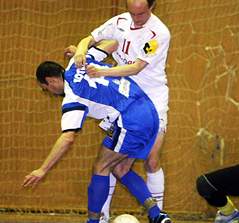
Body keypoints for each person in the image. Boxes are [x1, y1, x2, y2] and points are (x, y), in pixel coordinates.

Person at [22, 47, 171, 223]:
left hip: (130, 120)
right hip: (150, 110)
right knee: (119, 168)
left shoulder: (72, 98)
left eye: (45, 88)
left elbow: (68, 138)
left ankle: (93, 221)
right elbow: (112, 42)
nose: (49, 92)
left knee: (101, 166)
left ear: (51, 81)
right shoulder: (78, 62)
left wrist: (43, 169)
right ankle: (157, 215)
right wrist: (81, 48)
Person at [72, 0, 171, 221]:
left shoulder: (158, 33)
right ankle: (104, 215)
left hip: (151, 100)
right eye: (132, 12)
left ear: (152, 7)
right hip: (124, 99)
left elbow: (136, 67)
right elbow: (90, 38)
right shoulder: (120, 21)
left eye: (141, 14)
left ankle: (157, 215)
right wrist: (80, 50)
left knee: (152, 159)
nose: (135, 18)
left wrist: (102, 72)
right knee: (113, 162)